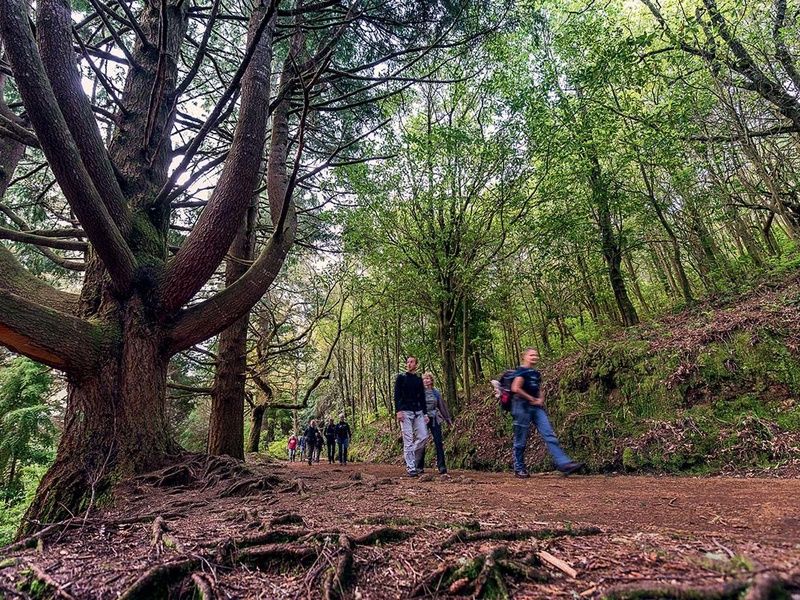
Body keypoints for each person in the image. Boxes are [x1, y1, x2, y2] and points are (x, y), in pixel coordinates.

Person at [510, 347, 583, 478]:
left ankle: (564, 464)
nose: (534, 357)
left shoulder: (536, 373)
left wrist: (540, 399)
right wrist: (531, 399)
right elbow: (515, 388)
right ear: (525, 357)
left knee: (549, 434)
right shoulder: (521, 371)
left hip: (536, 408)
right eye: (531, 355)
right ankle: (519, 468)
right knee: (520, 439)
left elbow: (539, 388)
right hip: (521, 407)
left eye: (536, 355)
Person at [394, 355, 428, 477]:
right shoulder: (401, 378)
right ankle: (411, 467)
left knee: (423, 436)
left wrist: (425, 413)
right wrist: (398, 411)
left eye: (411, 362)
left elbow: (422, 397)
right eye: (407, 362)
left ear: (416, 364)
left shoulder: (419, 379)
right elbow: (397, 395)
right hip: (405, 412)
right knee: (408, 439)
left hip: (418, 411)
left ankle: (410, 454)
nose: (409, 364)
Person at [416, 372, 452, 475]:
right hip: (422, 419)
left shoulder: (436, 392)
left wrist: (448, 419)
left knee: (438, 442)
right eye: (424, 379)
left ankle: (442, 466)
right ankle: (419, 466)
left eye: (428, 378)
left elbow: (442, 406)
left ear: (431, 380)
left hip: (435, 419)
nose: (426, 380)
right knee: (422, 442)